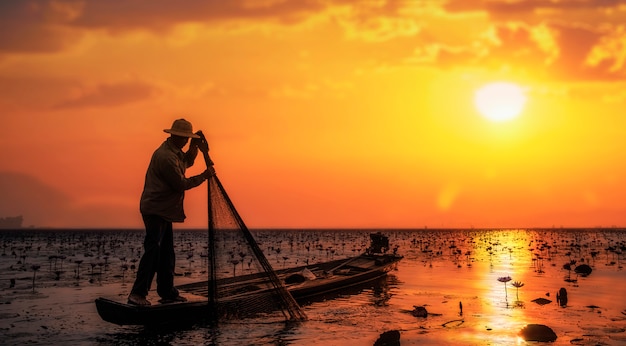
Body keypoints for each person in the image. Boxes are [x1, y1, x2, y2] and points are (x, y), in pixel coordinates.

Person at [128, 118, 213, 306]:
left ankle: (167, 292)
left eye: (186, 139)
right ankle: (137, 294)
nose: (184, 141)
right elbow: (180, 184)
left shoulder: (175, 153)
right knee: (153, 251)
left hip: (164, 210)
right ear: (174, 136)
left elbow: (187, 162)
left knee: (166, 253)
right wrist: (204, 176)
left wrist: (194, 147)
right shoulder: (165, 157)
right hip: (155, 209)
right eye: (183, 138)